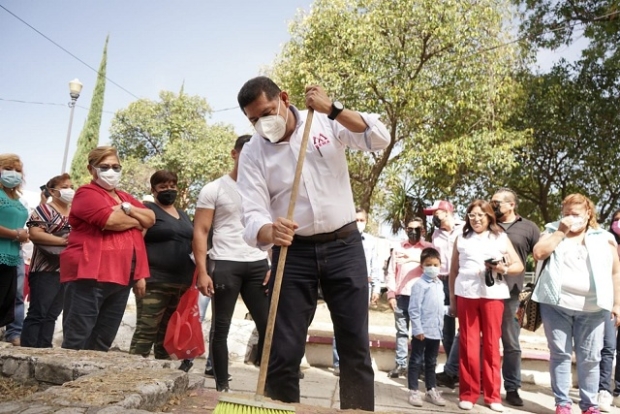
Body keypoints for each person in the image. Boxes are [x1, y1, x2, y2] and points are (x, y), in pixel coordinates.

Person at [233, 76, 389, 410]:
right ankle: (280, 409)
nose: (262, 124)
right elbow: (251, 215)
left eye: (265, 113)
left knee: (354, 346)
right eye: (253, 120)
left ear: (284, 98)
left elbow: (378, 136)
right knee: (282, 349)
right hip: (294, 252)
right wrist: (269, 231)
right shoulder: (252, 154)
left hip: (345, 246)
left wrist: (333, 109)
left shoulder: (325, 121)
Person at [194, 135, 270, 392]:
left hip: (258, 264)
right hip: (225, 263)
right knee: (221, 326)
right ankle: (222, 386)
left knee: (270, 326)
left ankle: (271, 384)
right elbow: (201, 232)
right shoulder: (213, 189)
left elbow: (273, 229)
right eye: (245, 153)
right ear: (234, 154)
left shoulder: (265, 188)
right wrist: (202, 271)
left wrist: (272, 264)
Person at [60, 146, 155, 351]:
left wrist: (127, 210)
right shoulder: (86, 193)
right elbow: (110, 220)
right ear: (91, 169)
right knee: (78, 338)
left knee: (103, 340)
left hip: (121, 276)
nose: (111, 171)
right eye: (104, 166)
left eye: (115, 167)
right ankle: (67, 382)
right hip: (89, 275)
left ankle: (90, 383)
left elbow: (151, 218)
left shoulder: (124, 197)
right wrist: (137, 220)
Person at [532, 194, 620, 414]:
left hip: (594, 309)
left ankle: (589, 405)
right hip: (556, 305)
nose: (571, 218)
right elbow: (538, 253)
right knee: (560, 354)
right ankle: (562, 403)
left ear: (588, 214)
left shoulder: (604, 237)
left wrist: (617, 304)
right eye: (567, 213)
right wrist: (561, 231)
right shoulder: (552, 230)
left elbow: (616, 273)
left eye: (576, 214)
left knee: (591, 357)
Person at [449, 199, 523, 412]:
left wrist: (502, 268)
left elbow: (518, 265)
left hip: (493, 295)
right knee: (468, 345)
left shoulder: (500, 237)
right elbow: (453, 271)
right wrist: (453, 300)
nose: (476, 219)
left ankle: (492, 396)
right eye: (472, 215)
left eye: (480, 215)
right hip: (466, 294)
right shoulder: (461, 238)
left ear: (489, 216)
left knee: (491, 345)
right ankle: (468, 393)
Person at [129, 170, 195, 362]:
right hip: (153, 281)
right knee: (146, 330)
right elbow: (137, 244)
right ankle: (130, 375)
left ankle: (161, 378)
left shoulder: (183, 215)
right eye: (163, 187)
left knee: (167, 335)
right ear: (153, 189)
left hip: (180, 284)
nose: (169, 190)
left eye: (172, 186)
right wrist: (138, 275)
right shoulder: (148, 211)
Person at [21, 173, 73, 348]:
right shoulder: (44, 209)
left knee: (52, 315)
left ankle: (43, 349)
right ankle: (28, 350)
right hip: (44, 270)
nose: (69, 190)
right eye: (64, 187)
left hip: (66, 271)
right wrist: (64, 241)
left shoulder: (74, 213)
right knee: (38, 313)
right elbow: (35, 234)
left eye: (71, 186)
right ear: (52, 190)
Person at [332, 207, 382, 376]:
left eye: (362, 220)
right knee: (340, 322)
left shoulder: (372, 242)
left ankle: (355, 363)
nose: (359, 223)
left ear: (366, 222)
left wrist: (376, 287)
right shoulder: (341, 238)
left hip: (364, 286)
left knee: (359, 325)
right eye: (356, 220)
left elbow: (376, 264)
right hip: (344, 284)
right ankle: (339, 362)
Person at [385, 217, 432, 378]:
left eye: (417, 229)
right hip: (401, 297)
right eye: (410, 229)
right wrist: (391, 293)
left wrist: (413, 259)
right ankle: (401, 364)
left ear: (423, 231)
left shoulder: (428, 248)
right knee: (401, 332)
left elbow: (433, 267)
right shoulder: (398, 247)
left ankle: (418, 366)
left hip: (422, 297)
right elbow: (391, 272)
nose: (413, 232)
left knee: (420, 333)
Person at [423, 199, 463, 387]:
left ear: (446, 211)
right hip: (442, 281)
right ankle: (451, 371)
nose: (433, 218)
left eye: (435, 213)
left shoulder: (464, 229)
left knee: (464, 329)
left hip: (461, 281)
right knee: (446, 329)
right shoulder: (436, 235)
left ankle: (463, 370)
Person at [407, 247, 447, 408]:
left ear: (440, 265)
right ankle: (414, 390)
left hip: (435, 332)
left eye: (436, 264)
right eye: (428, 264)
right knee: (416, 360)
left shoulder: (439, 284)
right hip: (422, 332)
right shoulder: (419, 285)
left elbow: (438, 307)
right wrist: (418, 329)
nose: (432, 268)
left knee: (431, 361)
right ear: (422, 266)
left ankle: (431, 389)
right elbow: (414, 309)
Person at [0, 154, 29, 329]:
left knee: (6, 299)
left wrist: (22, 235)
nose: (14, 173)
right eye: (8, 168)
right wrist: (15, 234)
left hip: (12, 256)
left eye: (18, 170)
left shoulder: (17, 199)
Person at [603, 209, 620, 411]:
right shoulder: (607, 243)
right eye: (616, 219)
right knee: (607, 347)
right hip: (609, 301)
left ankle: (618, 392)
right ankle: (603, 390)